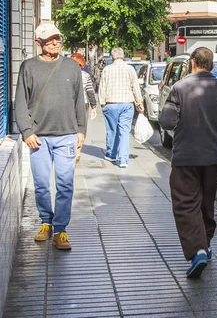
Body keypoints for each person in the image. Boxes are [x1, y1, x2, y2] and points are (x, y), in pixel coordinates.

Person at [158, 47, 217, 278]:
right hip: (215, 158)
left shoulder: (180, 88)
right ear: (212, 65)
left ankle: (198, 250)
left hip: (186, 158)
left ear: (192, 63)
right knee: (206, 203)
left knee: (186, 204)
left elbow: (166, 121)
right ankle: (205, 243)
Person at [15, 23, 87, 250]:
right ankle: (46, 222)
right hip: (39, 138)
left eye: (57, 38)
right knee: (42, 185)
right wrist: (26, 131)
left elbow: (79, 101)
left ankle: (61, 229)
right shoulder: (28, 67)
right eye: (49, 39)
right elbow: (20, 102)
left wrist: (81, 130)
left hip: (66, 135)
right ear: (38, 43)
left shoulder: (71, 67)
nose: (55, 42)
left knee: (65, 186)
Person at [98, 47, 144, 168]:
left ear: (112, 57)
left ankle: (111, 154)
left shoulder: (107, 70)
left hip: (111, 103)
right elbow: (135, 86)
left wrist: (102, 103)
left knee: (112, 130)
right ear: (123, 56)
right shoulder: (130, 69)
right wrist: (139, 102)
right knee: (124, 131)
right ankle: (123, 159)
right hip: (127, 104)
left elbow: (102, 87)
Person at [70, 53, 98, 163]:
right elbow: (90, 92)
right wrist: (94, 107)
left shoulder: (65, 74)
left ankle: (71, 149)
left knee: (71, 127)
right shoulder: (85, 75)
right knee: (82, 127)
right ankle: (78, 151)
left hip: (69, 104)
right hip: (83, 104)